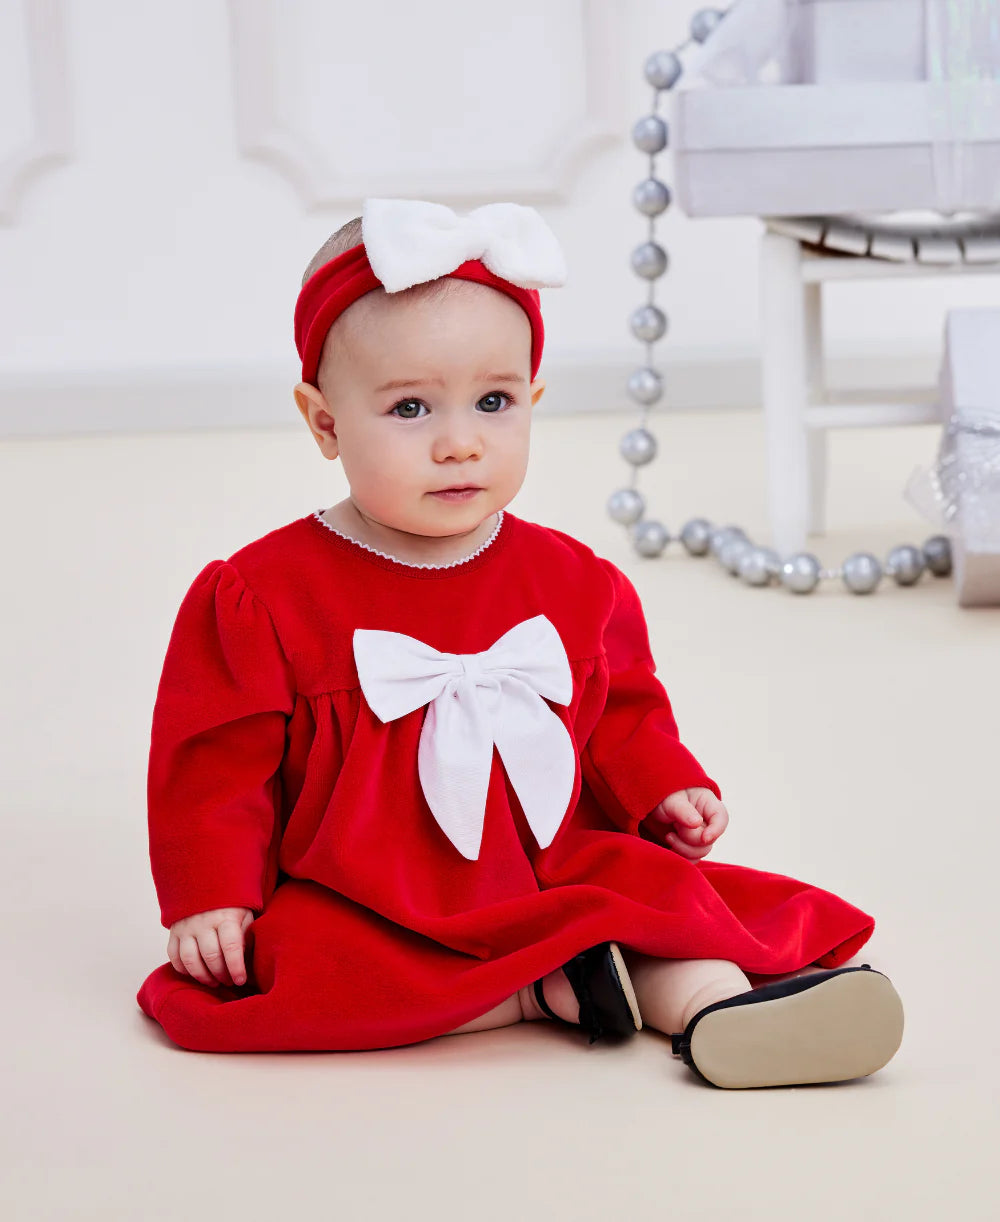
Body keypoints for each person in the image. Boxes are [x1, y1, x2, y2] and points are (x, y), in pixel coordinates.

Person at [136, 199, 903, 1088]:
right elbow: (212, 765)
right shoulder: (261, 595)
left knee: (651, 903)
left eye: (494, 402)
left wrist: (664, 786)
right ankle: (539, 994)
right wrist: (212, 895)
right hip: (370, 888)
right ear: (325, 423)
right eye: (411, 408)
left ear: (533, 400)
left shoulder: (573, 579)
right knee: (310, 966)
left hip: (544, 858)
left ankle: (721, 1009)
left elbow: (620, 708)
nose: (460, 443)